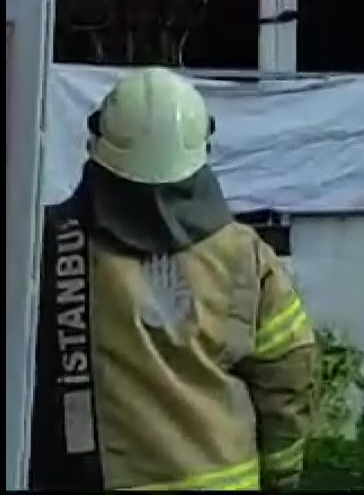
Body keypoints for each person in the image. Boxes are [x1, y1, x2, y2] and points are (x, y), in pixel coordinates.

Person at [29, 67, 315, 491]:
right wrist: (281, 473)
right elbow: (290, 370)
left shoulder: (53, 245)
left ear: (97, 145)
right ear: (203, 151)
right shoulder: (244, 254)